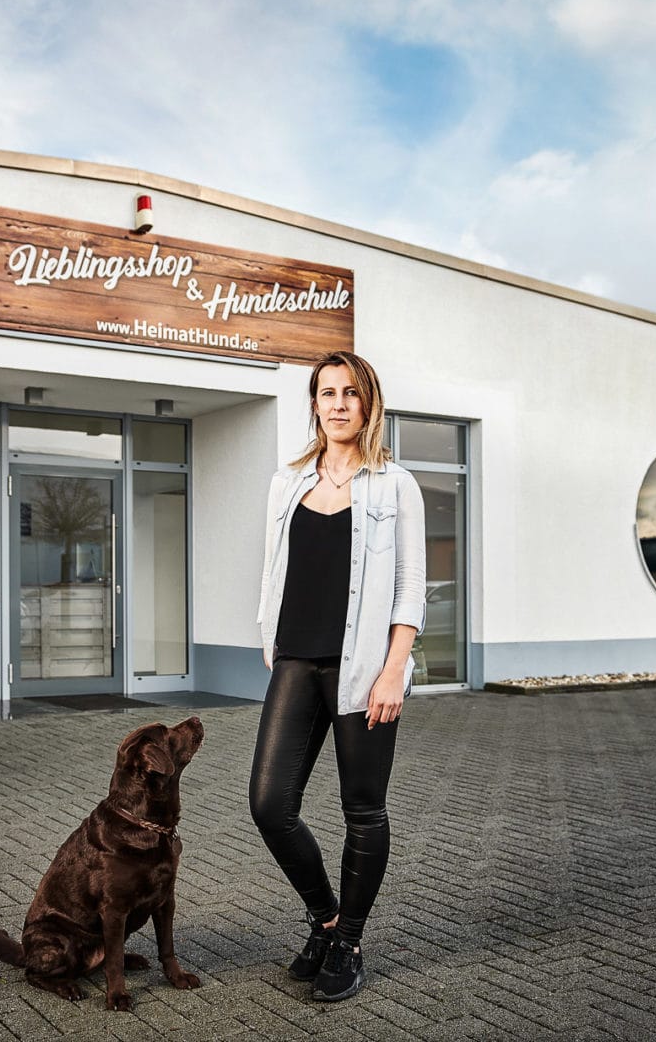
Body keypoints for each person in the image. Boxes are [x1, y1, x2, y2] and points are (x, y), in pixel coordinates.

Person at [249, 349, 425, 1002]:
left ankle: (347, 942)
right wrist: (268, 634)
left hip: (362, 669)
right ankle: (323, 916)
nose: (338, 404)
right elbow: (274, 565)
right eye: (327, 393)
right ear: (315, 404)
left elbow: (410, 586)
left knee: (363, 809)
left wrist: (393, 669)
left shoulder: (394, 485)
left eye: (350, 392)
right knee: (269, 804)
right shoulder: (286, 481)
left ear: (367, 402)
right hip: (296, 657)